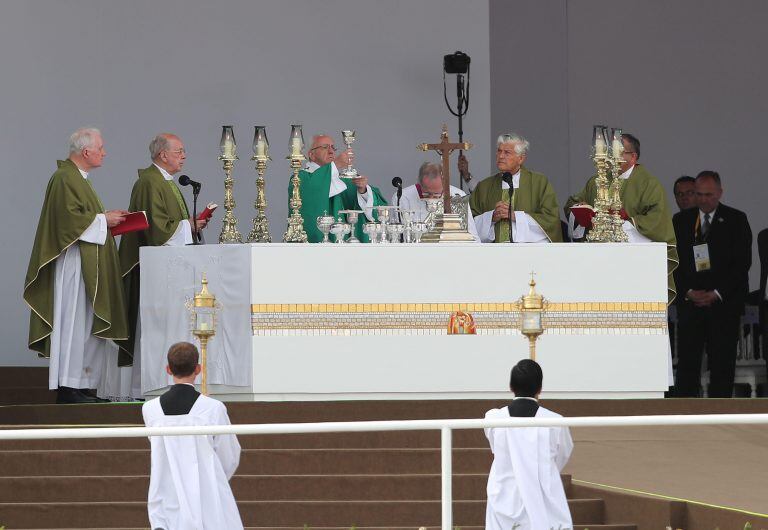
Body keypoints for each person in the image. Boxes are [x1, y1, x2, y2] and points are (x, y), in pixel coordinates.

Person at [24, 127, 129, 404]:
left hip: (89, 261)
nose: (105, 152)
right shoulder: (63, 177)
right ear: (86, 152)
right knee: (73, 324)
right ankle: (68, 387)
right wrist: (103, 220)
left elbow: (84, 217)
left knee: (87, 324)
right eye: (101, 148)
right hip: (75, 263)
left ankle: (83, 384)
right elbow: (66, 220)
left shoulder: (80, 179)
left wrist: (108, 219)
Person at [117, 134, 209, 398]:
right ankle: (148, 384)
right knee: (155, 325)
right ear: (162, 155)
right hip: (157, 268)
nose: (184, 155)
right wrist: (186, 226)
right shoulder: (149, 181)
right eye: (179, 151)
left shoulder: (165, 182)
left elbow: (169, 224)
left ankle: (165, 379)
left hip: (172, 266)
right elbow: (156, 230)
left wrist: (191, 224)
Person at [565, 133, 678, 303]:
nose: (611, 157)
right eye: (609, 151)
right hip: (597, 261)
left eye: (618, 152)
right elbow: (572, 204)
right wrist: (580, 208)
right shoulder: (597, 180)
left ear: (633, 157)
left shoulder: (648, 183)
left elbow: (658, 219)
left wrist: (628, 220)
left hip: (633, 263)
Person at [143, 341, 243, 530]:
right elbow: (229, 455)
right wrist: (211, 475)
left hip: (165, 490)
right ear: (198, 369)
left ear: (168, 369)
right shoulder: (213, 408)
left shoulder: (150, 409)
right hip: (206, 492)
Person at [672, 171, 752, 397]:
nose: (703, 199)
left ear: (719, 193)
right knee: (688, 363)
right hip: (691, 304)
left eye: (709, 194)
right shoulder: (681, 221)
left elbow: (742, 264)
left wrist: (716, 293)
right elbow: (673, 261)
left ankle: (721, 414)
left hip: (723, 304)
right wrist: (687, 291)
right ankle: (684, 415)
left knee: (722, 364)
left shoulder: (736, 219)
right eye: (699, 194)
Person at [484, 359, 573, 530]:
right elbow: (563, 454)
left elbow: (495, 447)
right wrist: (543, 471)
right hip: (544, 493)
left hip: (504, 494)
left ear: (511, 386)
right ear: (540, 389)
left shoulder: (494, 419)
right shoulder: (555, 421)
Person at [289, 133, 387, 242]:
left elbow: (376, 210)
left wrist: (363, 190)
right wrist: (336, 165)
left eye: (333, 147)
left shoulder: (341, 180)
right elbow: (312, 193)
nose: (331, 151)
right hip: (313, 247)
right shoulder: (301, 177)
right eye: (325, 147)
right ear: (311, 154)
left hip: (342, 246)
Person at [469, 133, 562, 243]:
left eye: (507, 152)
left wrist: (515, 216)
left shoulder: (539, 183)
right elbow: (469, 224)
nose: (501, 156)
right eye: (499, 151)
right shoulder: (484, 187)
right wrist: (491, 217)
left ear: (521, 159)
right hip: (493, 255)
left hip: (529, 255)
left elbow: (551, 220)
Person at [392, 161, 479, 240]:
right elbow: (398, 237)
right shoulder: (403, 197)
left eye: (437, 194)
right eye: (427, 193)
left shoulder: (458, 195)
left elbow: (473, 236)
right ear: (420, 183)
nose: (432, 198)